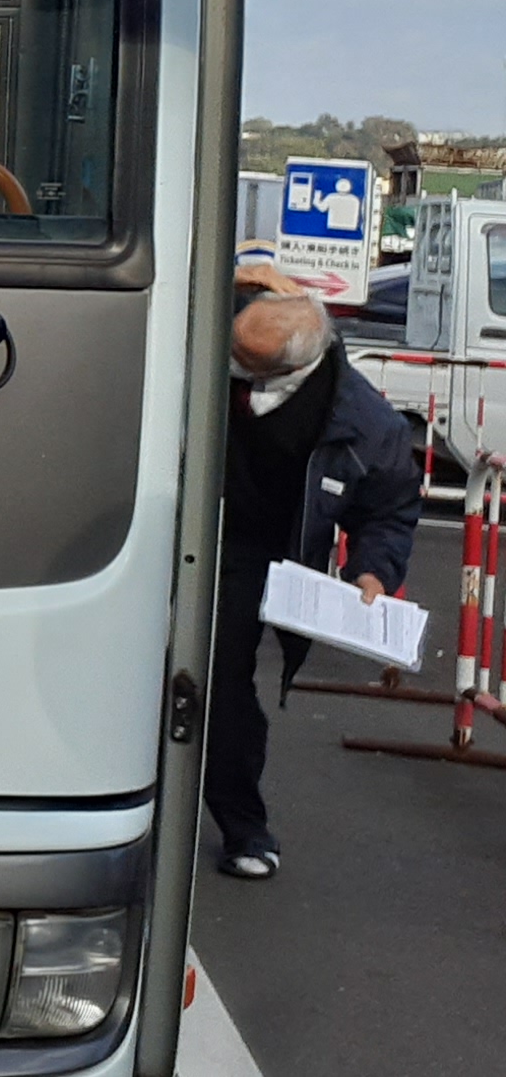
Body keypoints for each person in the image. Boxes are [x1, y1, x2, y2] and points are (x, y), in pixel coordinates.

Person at [207, 269, 423, 879]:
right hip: (175, 525)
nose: (232, 366)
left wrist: (372, 572)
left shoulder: (363, 422)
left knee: (219, 682)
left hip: (261, 550)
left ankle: (245, 829)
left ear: (295, 366)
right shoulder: (218, 339)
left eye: (247, 365)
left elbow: (389, 509)